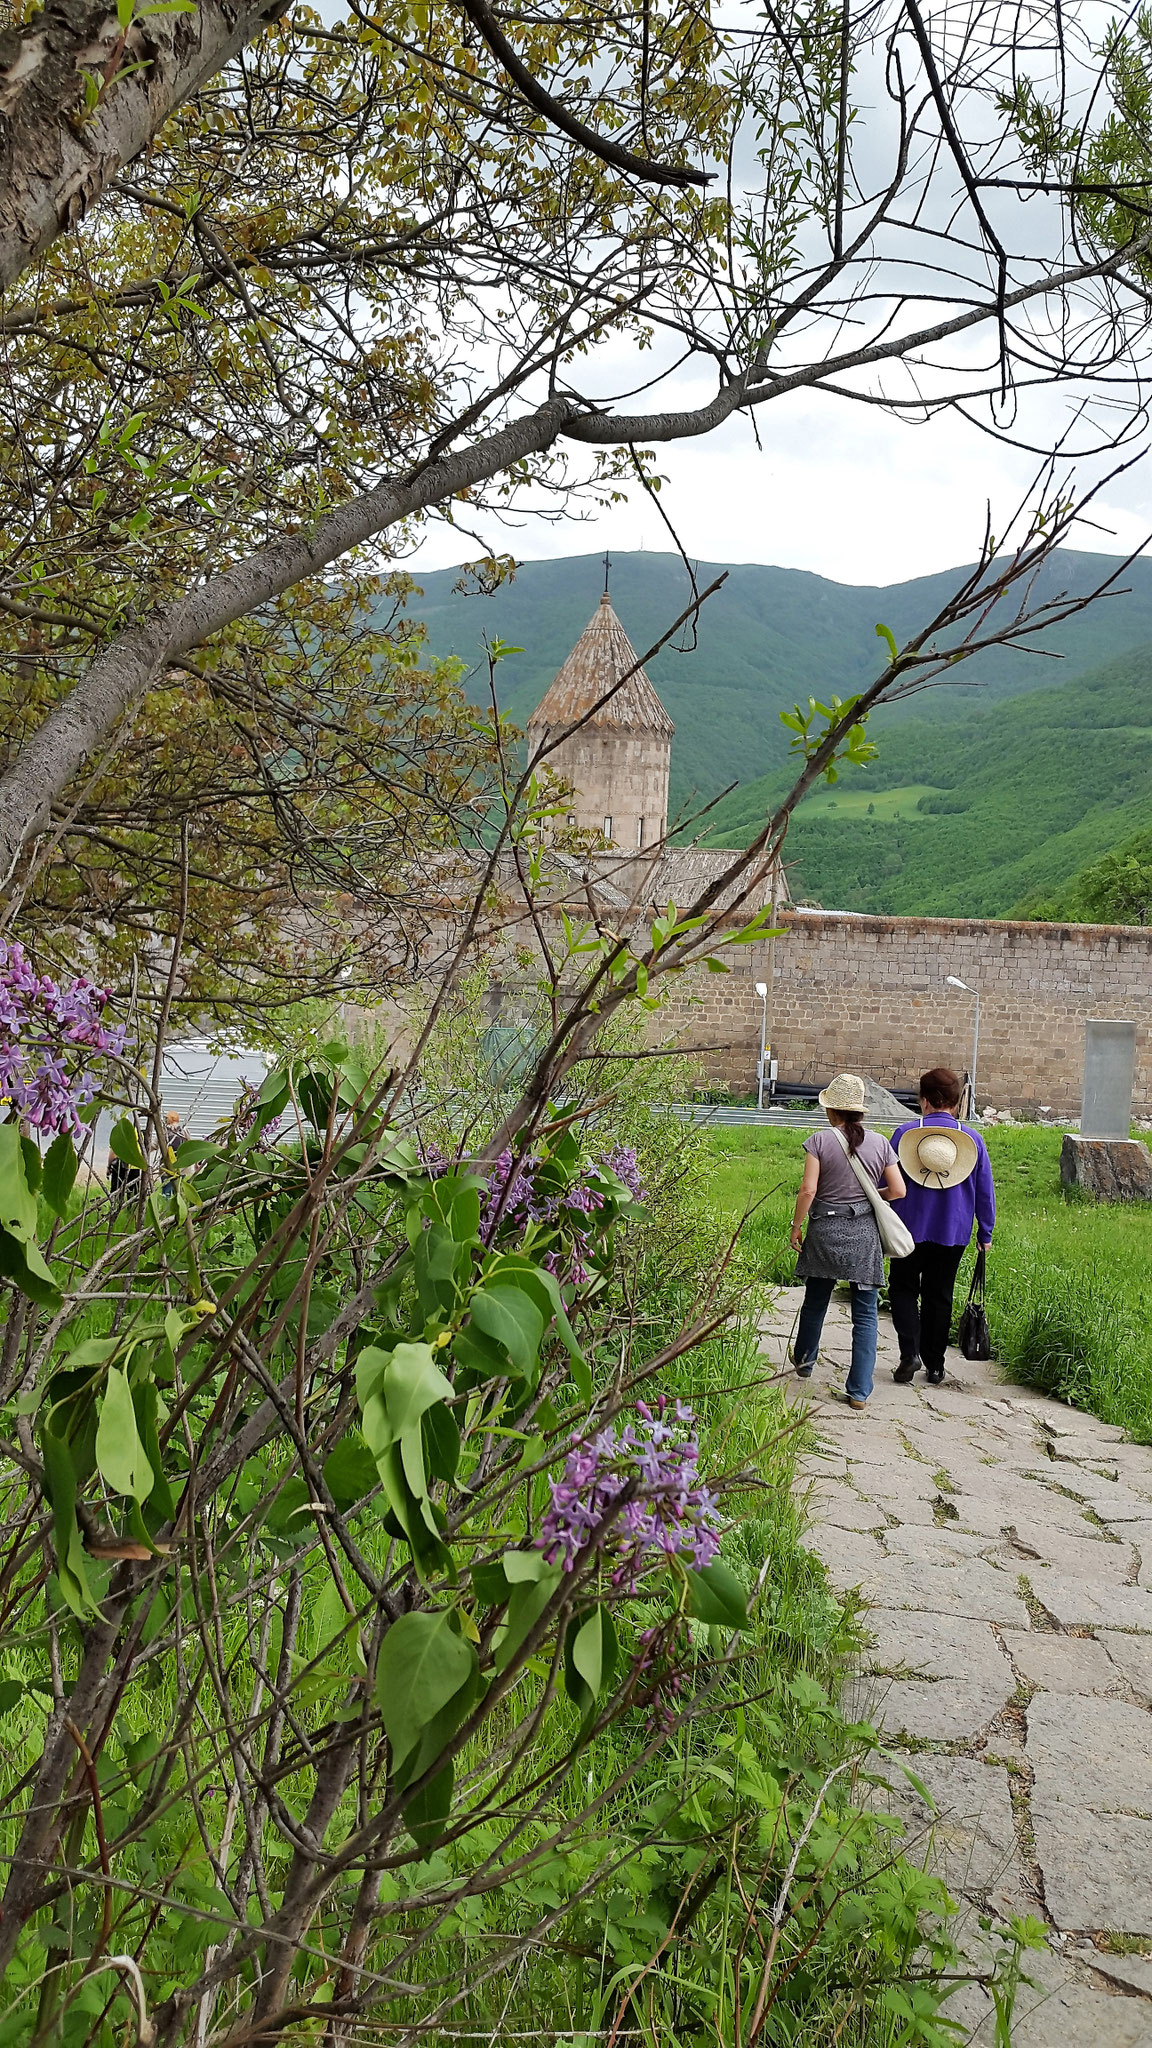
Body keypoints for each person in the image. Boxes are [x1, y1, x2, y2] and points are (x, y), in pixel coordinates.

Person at [789, 1072, 906, 1410]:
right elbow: (898, 1191)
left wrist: (797, 1225)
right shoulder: (881, 1143)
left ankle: (805, 1363)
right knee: (866, 1315)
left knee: (815, 1300)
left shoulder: (819, 1141)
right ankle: (858, 1392)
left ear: (832, 1111)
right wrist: (868, 1197)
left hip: (824, 1230)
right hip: (864, 1236)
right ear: (859, 1111)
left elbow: (809, 1190)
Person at [888, 1065, 995, 1387]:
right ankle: (935, 1365)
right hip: (953, 1231)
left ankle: (909, 1353)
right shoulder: (973, 1139)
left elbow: (886, 1180)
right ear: (958, 1101)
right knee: (940, 1295)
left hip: (907, 1228)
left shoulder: (904, 1136)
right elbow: (985, 1190)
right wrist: (985, 1231)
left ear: (923, 1100)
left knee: (903, 1289)